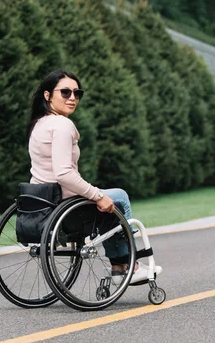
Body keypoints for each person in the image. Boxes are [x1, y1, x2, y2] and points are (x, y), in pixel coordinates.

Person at [26, 70, 161, 284]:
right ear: (47, 95)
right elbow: (64, 173)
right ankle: (128, 266)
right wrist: (96, 196)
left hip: (43, 201)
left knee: (110, 199)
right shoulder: (62, 125)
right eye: (65, 92)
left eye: (77, 93)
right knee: (119, 197)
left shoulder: (39, 124)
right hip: (66, 203)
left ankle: (119, 267)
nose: (72, 98)